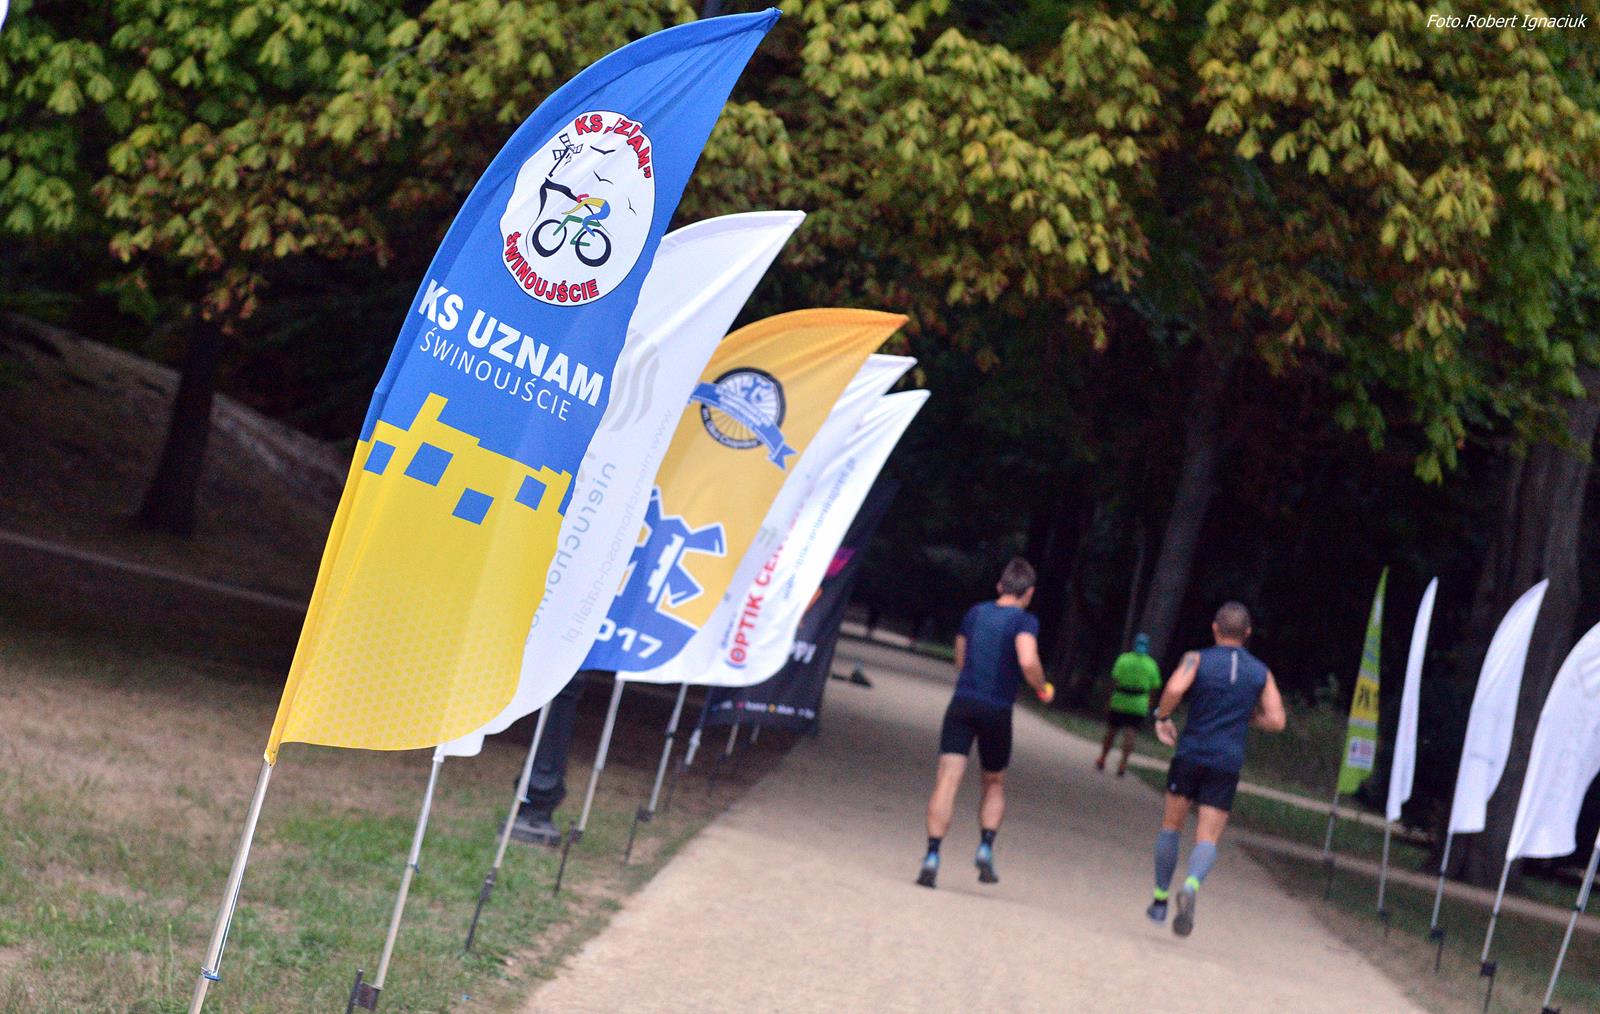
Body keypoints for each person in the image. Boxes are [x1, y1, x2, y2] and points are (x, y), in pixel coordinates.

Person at [1146, 601, 1285, 936]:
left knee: (1171, 828)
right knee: (1207, 839)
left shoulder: (1196, 659)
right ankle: (1191, 886)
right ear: (1247, 633)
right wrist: (1248, 717)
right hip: (1226, 762)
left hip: (1191, 754)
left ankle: (1160, 901)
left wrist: (1162, 717)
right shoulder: (1261, 672)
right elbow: (1277, 720)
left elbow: (1174, 689)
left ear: (1214, 628)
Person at [916, 557, 1054, 889]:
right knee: (993, 782)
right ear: (1029, 593)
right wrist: (1041, 687)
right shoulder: (1025, 621)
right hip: (997, 710)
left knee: (947, 779)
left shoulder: (975, 613)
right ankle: (985, 847)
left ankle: (932, 855)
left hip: (963, 703)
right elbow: (1028, 660)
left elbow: (960, 659)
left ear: (1000, 586)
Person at [1095, 632, 1162, 776]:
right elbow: (1155, 687)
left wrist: (1108, 699)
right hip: (1138, 704)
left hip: (1119, 701)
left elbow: (1114, 680)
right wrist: (1149, 703)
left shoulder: (1123, 659)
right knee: (1130, 734)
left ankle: (1102, 758)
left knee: (1111, 732)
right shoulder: (1151, 664)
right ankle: (1123, 764)